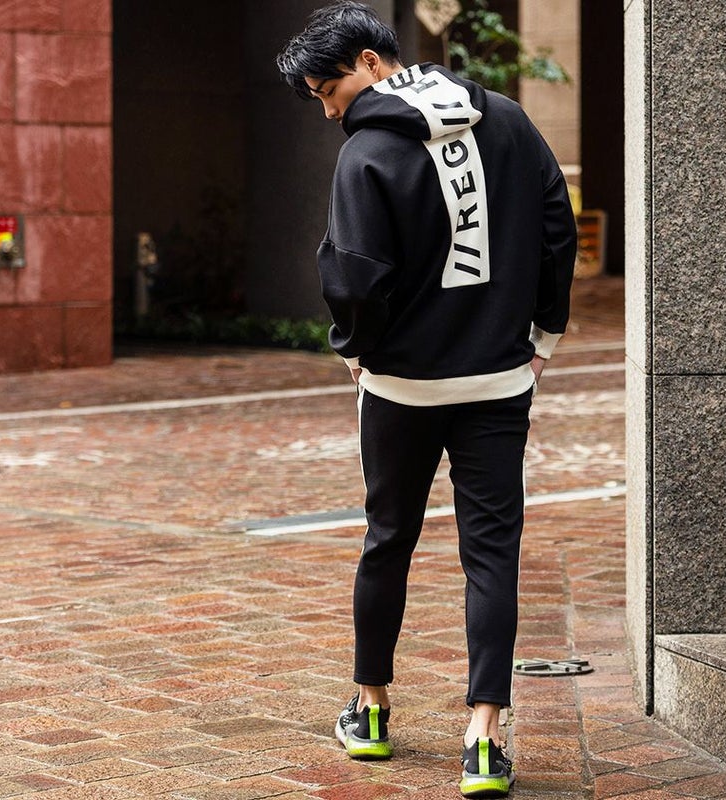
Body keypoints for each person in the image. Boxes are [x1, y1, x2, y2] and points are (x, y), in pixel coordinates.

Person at [277, 3, 577, 797]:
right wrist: (544, 333)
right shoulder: (506, 118)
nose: (329, 109)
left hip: (401, 388)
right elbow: (557, 222)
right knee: (493, 552)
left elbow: (354, 278)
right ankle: (485, 737)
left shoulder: (366, 153)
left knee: (388, 539)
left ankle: (371, 708)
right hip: (498, 381)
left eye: (329, 89)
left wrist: (356, 350)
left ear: (372, 62)